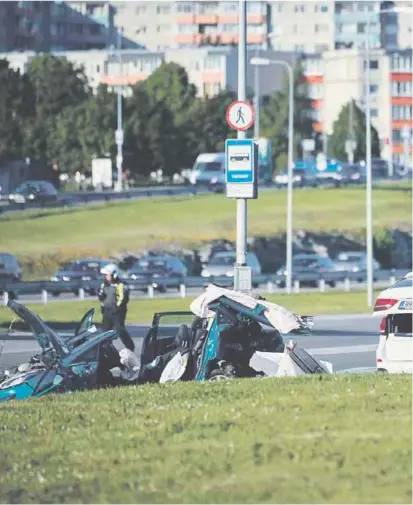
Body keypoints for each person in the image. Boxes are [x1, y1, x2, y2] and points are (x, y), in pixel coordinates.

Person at [98, 263, 135, 352]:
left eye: (108, 274)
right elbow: (102, 295)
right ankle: (106, 348)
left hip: (118, 311)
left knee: (119, 329)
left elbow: (123, 298)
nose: (106, 276)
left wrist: (117, 307)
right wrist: (102, 299)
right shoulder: (104, 284)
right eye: (105, 275)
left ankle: (130, 347)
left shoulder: (120, 284)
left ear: (114, 274)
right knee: (106, 331)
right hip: (107, 310)